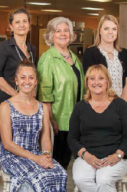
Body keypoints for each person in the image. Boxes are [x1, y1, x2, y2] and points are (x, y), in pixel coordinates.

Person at [0, 59, 68, 192]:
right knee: (40, 177)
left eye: (31, 77)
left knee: (60, 174)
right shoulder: (6, 106)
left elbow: (45, 137)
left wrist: (46, 155)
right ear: (16, 81)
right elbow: (7, 143)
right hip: (12, 156)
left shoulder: (42, 107)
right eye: (23, 77)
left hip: (36, 152)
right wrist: (36, 158)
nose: (27, 81)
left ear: (36, 81)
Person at [68, 64, 127, 192]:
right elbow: (72, 138)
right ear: (87, 83)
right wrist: (85, 155)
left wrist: (118, 155)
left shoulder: (120, 105)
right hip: (87, 156)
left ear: (107, 81)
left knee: (103, 179)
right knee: (81, 178)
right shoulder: (79, 108)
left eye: (101, 78)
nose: (96, 82)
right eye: (92, 78)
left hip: (115, 156)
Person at [37, 17, 84, 170]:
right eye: (58, 31)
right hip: (58, 122)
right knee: (57, 163)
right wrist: (50, 120)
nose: (63, 34)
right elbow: (44, 94)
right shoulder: (47, 58)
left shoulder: (75, 58)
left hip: (74, 121)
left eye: (66, 30)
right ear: (51, 35)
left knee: (67, 163)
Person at [0, 8, 36, 157]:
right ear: (11, 26)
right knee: (8, 149)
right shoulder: (4, 47)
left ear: (29, 25)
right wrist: (17, 96)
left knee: (26, 147)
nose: (21, 25)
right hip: (7, 103)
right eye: (17, 22)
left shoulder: (32, 49)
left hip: (27, 105)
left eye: (25, 21)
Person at [83, 15, 127, 101]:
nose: (110, 32)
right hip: (100, 104)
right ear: (100, 31)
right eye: (106, 28)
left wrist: (121, 105)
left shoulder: (125, 53)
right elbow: (92, 84)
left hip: (122, 104)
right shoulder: (90, 53)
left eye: (114, 29)